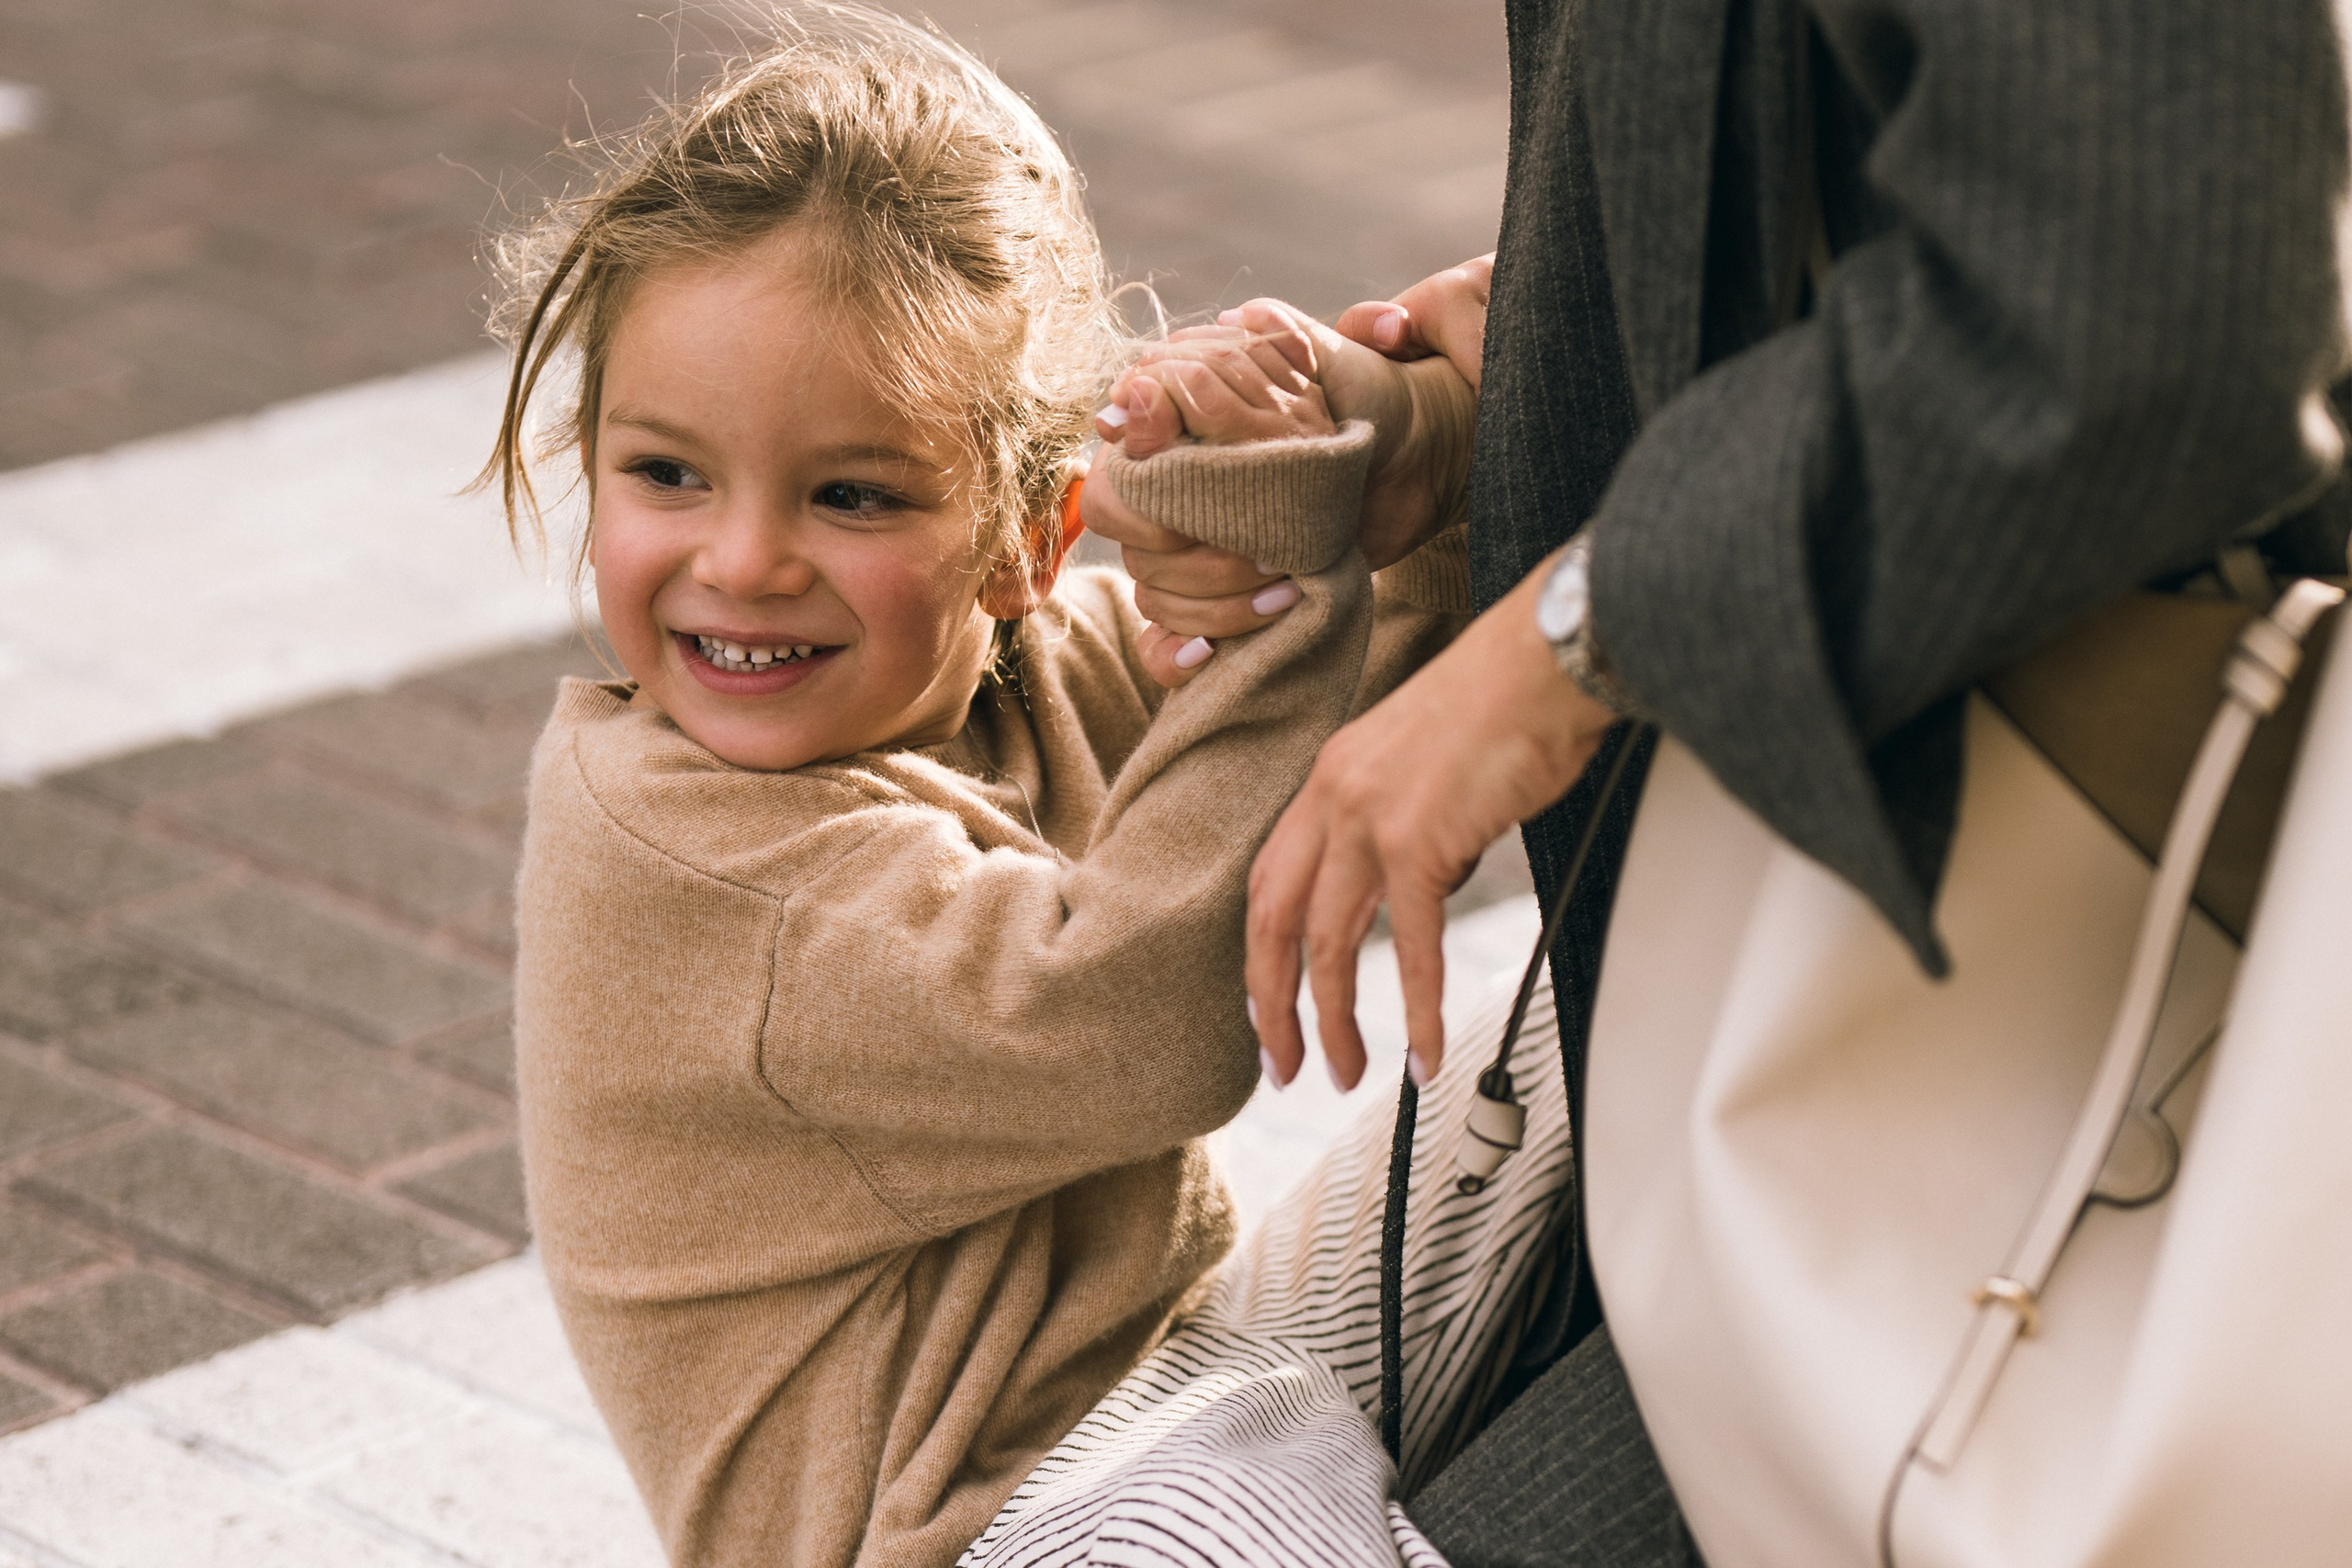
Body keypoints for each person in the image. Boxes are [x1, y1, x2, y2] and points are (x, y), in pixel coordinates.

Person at [1098, 1, 2352, 1562]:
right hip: (1727, 1013)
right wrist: (1466, 429)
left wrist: (1573, 631)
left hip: (2008, 1057)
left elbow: (2164, 299)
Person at [481, 15, 1505, 1564]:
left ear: (1031, 540)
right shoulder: (674, 853)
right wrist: (1289, 566)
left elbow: (1340, 707)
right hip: (978, 1529)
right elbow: (1142, 1026)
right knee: (1239, 1509)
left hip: (1183, 1393)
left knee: (1571, 1048)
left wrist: (1388, 470)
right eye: (667, 473)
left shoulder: (1016, 677)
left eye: (852, 495)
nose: (744, 560)